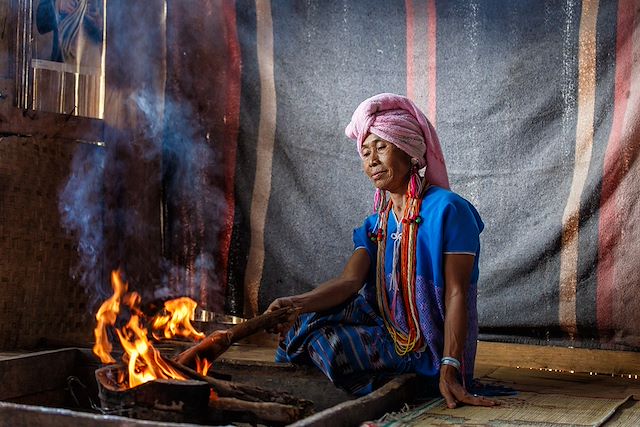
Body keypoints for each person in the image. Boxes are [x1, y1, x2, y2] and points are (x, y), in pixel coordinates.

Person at [266, 93, 497, 409]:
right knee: (300, 321)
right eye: (364, 152)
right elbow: (349, 283)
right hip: (384, 328)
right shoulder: (377, 224)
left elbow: (457, 293)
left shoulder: (450, 211)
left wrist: (451, 366)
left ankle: (404, 384)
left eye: (381, 147)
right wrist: (295, 304)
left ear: (410, 152)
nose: (371, 160)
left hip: (423, 348)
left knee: (329, 346)